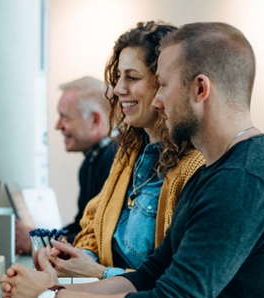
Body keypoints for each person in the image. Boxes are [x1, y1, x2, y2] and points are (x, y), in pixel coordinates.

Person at [0, 22, 264, 298]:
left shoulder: (240, 180)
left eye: (163, 85)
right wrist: (51, 291)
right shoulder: (213, 174)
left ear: (200, 89)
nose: (156, 100)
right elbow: (148, 277)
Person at [47, 21, 206, 280]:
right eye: (118, 76)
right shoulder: (128, 153)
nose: (119, 89)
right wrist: (77, 258)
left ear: (165, 83)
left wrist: (99, 273)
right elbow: (92, 224)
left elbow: (177, 285)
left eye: (132, 77)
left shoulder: (195, 167)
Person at [54, 76, 118, 242]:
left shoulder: (116, 162)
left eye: (65, 117)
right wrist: (41, 238)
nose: (58, 126)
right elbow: (82, 225)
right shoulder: (90, 162)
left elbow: (98, 234)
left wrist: (45, 243)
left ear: (95, 120)